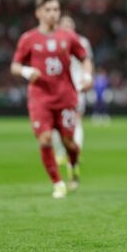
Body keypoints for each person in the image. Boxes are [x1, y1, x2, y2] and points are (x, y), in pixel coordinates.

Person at [10, 0, 93, 198]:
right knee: (45, 139)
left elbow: (84, 58)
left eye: (56, 9)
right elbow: (15, 66)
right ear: (38, 13)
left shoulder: (68, 37)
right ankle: (57, 183)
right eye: (48, 10)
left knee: (69, 142)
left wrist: (88, 75)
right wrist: (27, 72)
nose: (53, 13)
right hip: (40, 98)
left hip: (65, 97)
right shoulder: (28, 38)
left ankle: (73, 165)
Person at [53, 15, 93, 169]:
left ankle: (75, 153)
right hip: (56, 88)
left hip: (77, 86)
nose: (67, 27)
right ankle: (61, 153)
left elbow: (88, 62)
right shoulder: (54, 41)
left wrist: (88, 78)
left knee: (76, 121)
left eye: (70, 24)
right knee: (57, 123)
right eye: (64, 24)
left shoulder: (82, 42)